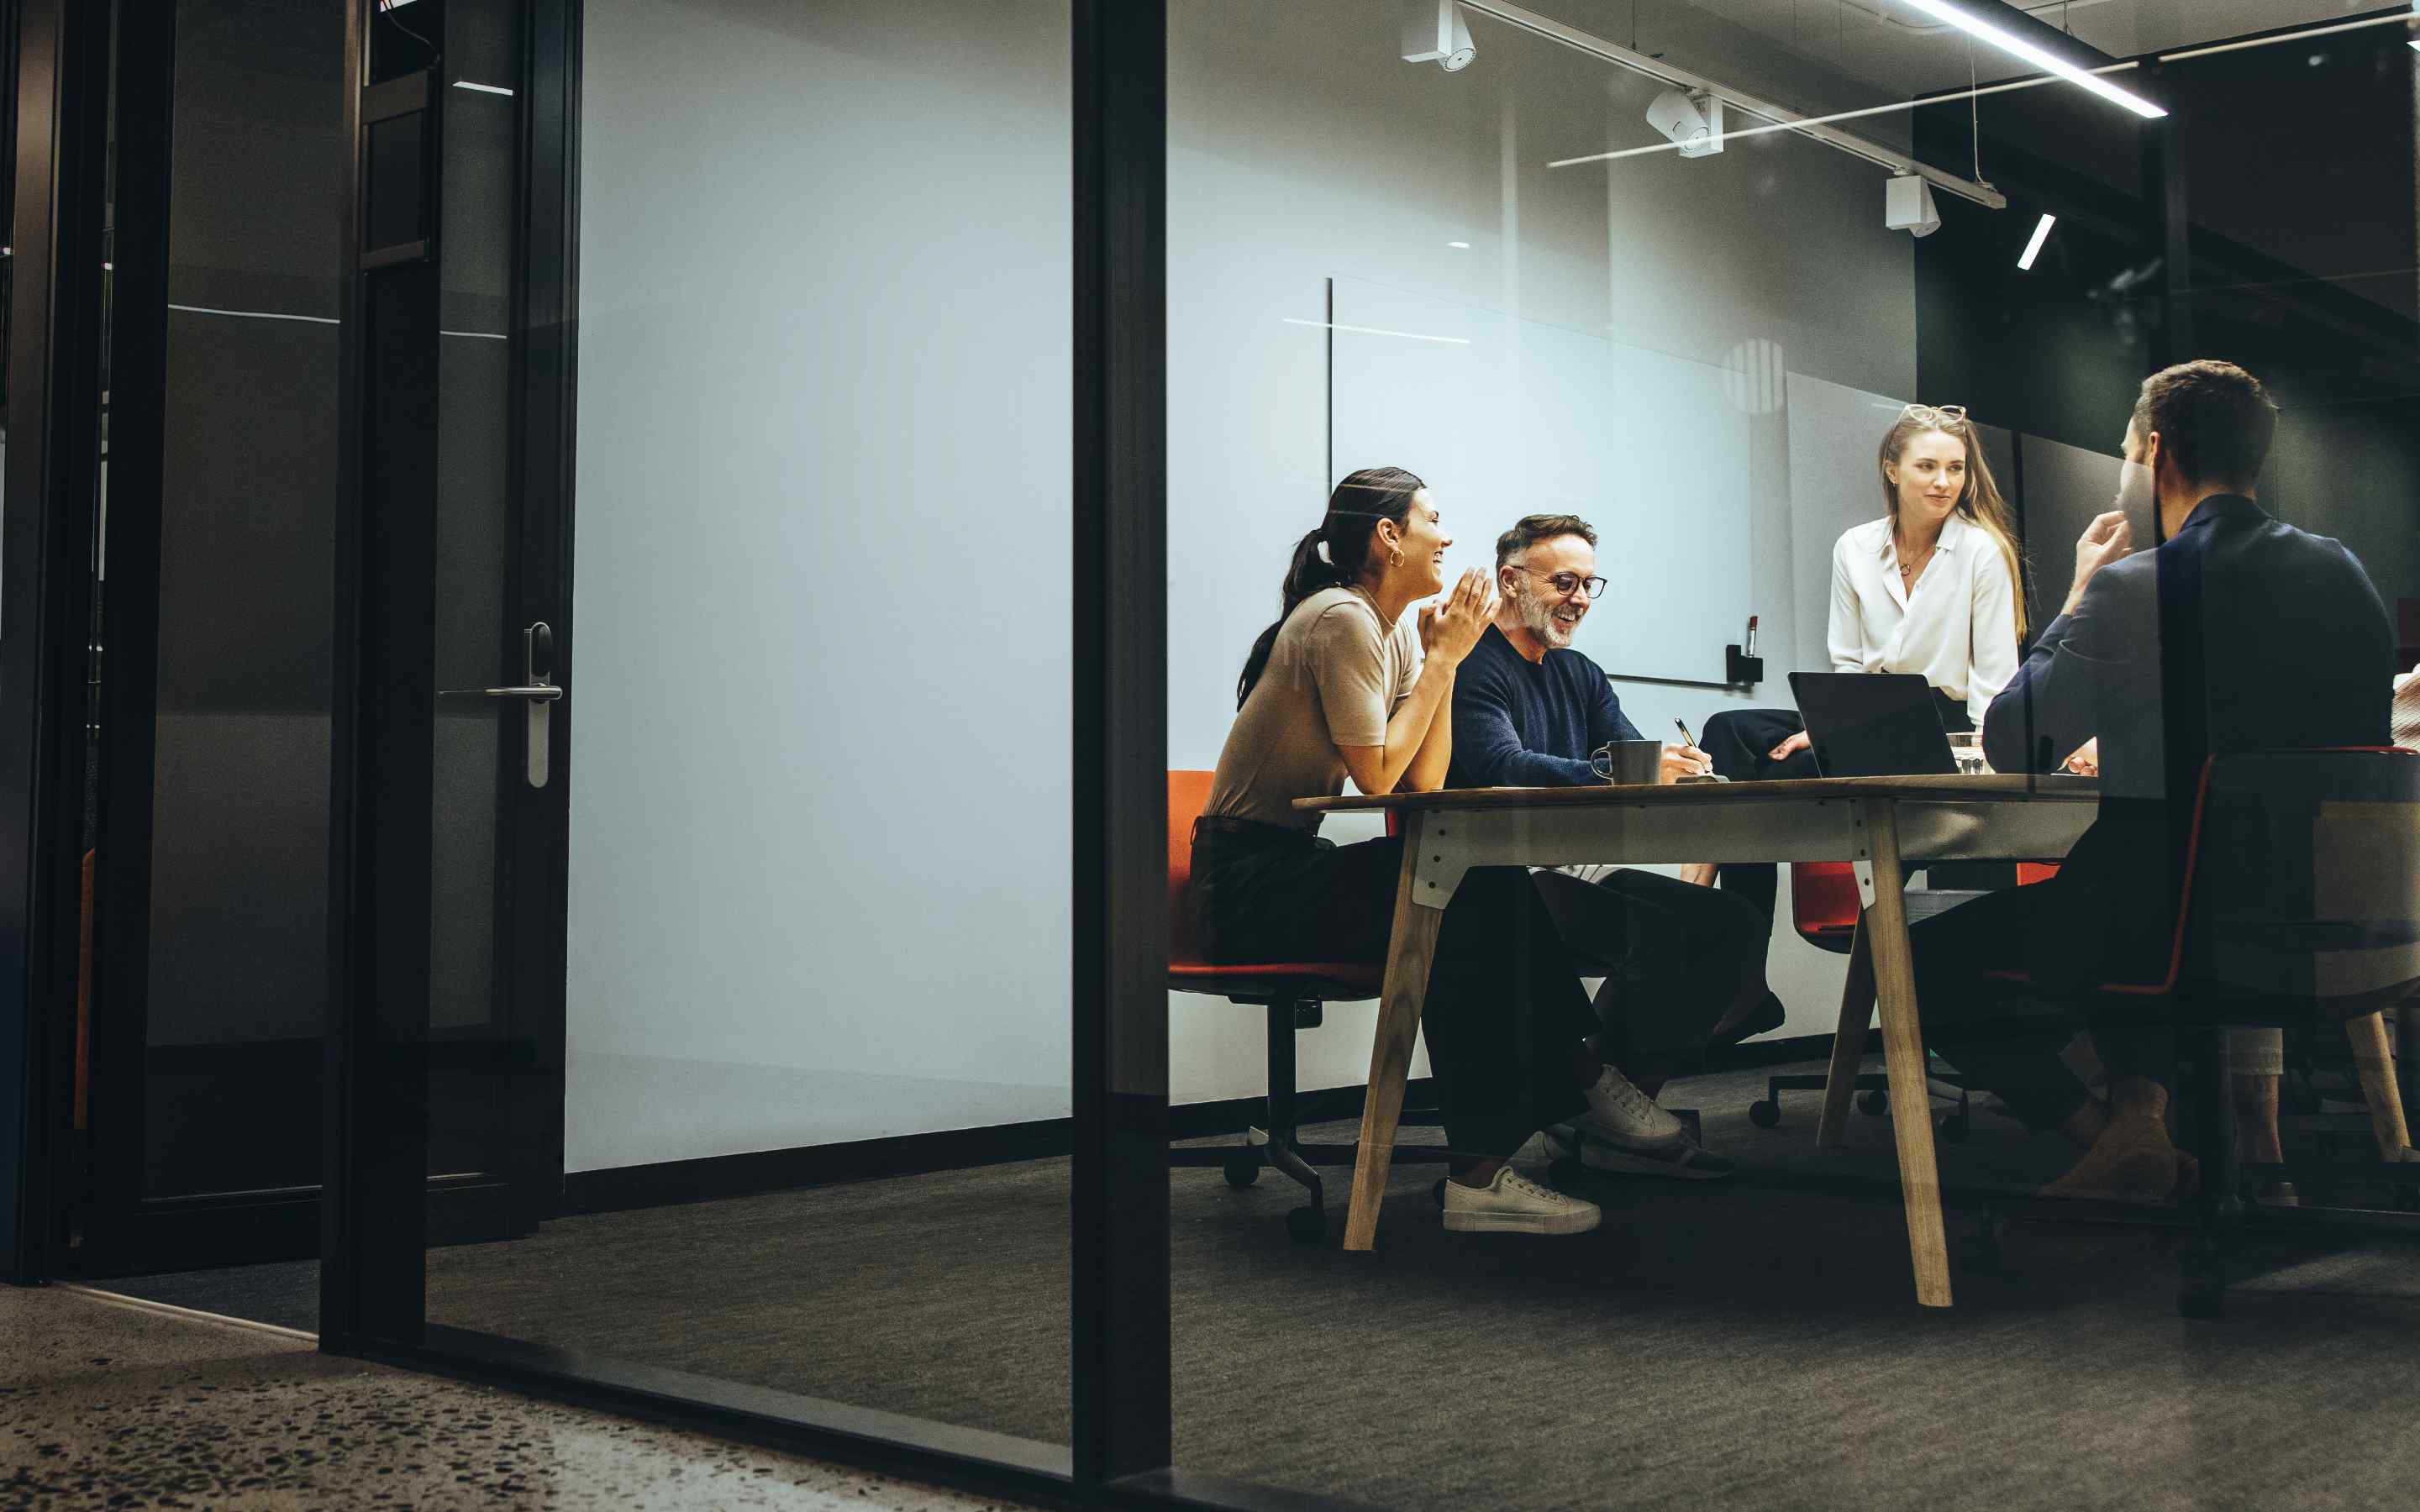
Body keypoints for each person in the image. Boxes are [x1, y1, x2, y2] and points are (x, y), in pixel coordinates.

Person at [1906, 360, 2394, 1200]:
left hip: (2174, 925)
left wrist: (2079, 593)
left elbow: (2017, 740)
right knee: (2126, 881)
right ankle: (2144, 1130)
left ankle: (2111, 1141)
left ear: (2156, 452)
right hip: (2332, 915)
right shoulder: (2345, 575)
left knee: (1920, 961)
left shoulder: (2140, 588)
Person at [1192, 467, 1656, 1236]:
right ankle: (1527, 1129)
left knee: (1469, 883)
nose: (1446, 537)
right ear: (1388, 536)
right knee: (1458, 891)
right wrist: (1445, 664)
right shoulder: (1339, 618)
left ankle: (1544, 1108)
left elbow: (1422, 779)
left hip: (1283, 869)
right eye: (1433, 520)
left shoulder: (1391, 631)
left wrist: (1444, 656)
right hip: (1242, 886)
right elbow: (1377, 780)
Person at [1445, 512, 1784, 1180]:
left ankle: (1612, 1111)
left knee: (1729, 922)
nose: (1578, 598)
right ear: (1510, 583)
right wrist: (1628, 770)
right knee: (1664, 937)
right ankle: (1598, 1098)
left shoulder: (1580, 674)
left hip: (1573, 871)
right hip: (1495, 882)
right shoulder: (1473, 665)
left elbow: (1632, 760)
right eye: (1564, 582)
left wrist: (1677, 770)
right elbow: (1502, 767)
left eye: (1589, 585)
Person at [1697, 402, 2028, 917]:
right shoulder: (1855, 546)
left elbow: (1995, 671)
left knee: (1765, 779)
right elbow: (1847, 661)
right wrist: (1826, 726)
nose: (1944, 482)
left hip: (1942, 724)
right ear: (1892, 471)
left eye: (1955, 468)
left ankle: (1714, 899)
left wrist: (1983, 757)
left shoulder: (1982, 551)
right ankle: (1743, 934)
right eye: (1927, 466)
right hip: (1863, 715)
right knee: (1728, 732)